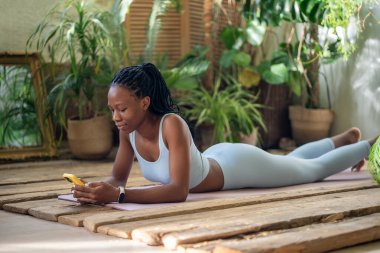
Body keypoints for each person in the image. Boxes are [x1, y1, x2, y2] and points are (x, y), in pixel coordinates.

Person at [72, 63, 378, 204]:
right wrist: (93, 188)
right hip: (217, 158)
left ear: (145, 102)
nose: (116, 117)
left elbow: (179, 191)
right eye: (112, 109)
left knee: (312, 170)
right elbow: (118, 179)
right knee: (294, 162)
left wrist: (121, 196)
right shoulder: (129, 131)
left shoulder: (171, 125)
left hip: (238, 167)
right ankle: (343, 139)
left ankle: (368, 144)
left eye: (122, 109)